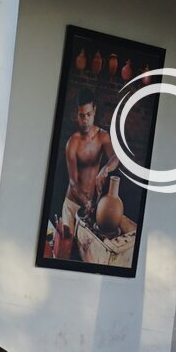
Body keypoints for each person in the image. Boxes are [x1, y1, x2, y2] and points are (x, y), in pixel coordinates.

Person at [61, 92, 124, 262]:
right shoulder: (72, 143)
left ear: (94, 111)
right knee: (64, 254)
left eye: (89, 114)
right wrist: (86, 201)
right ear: (77, 115)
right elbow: (73, 182)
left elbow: (116, 157)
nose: (85, 120)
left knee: (86, 256)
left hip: (91, 208)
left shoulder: (102, 136)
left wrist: (105, 169)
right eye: (82, 116)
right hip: (73, 205)